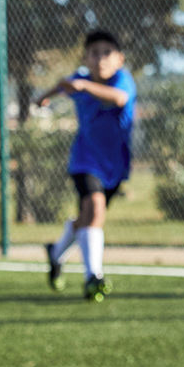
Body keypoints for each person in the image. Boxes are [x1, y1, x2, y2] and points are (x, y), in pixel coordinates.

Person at [31, 30, 137, 302]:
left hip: (115, 164)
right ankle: (94, 277)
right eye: (94, 53)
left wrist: (83, 87)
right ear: (85, 58)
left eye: (106, 53)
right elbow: (63, 84)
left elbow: (119, 99)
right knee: (95, 209)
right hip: (84, 159)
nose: (100, 58)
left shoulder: (122, 80)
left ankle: (55, 253)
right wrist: (45, 96)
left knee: (87, 219)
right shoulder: (79, 81)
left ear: (119, 59)